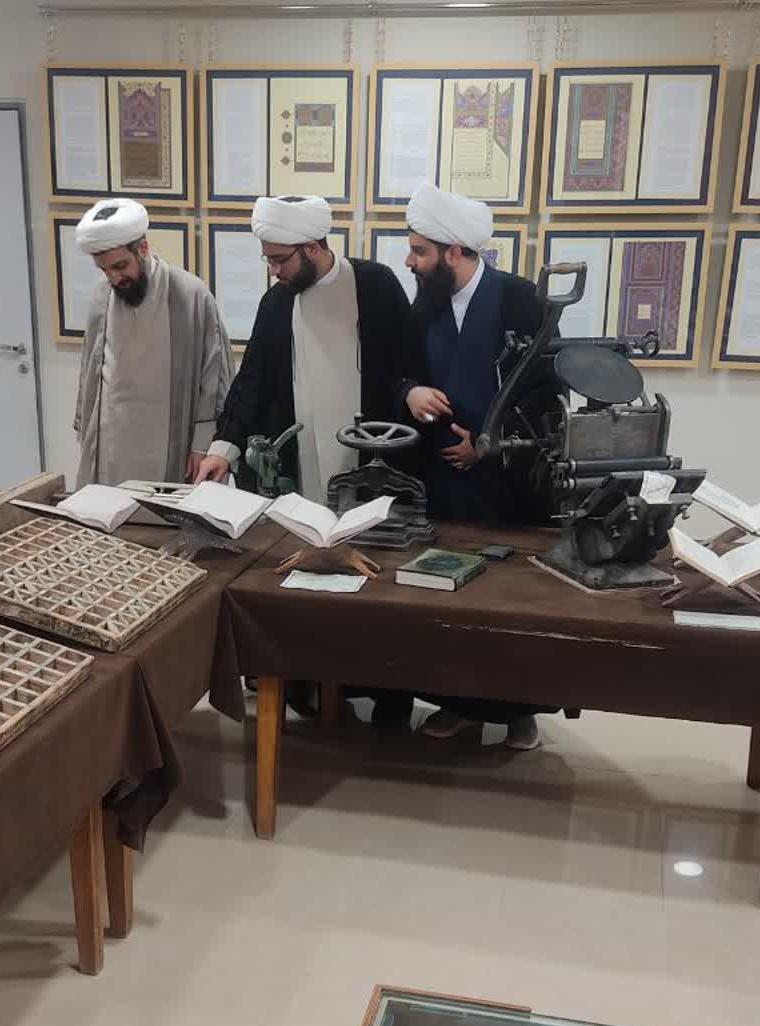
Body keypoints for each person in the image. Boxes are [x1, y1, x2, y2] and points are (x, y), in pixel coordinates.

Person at [391, 181, 563, 750]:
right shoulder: (425, 303)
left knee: (511, 605)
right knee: (447, 600)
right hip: (444, 485)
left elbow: (548, 392)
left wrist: (492, 442)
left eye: (419, 251)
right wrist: (410, 391)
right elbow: (396, 371)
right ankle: (457, 705)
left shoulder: (522, 300)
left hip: (510, 487)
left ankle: (518, 713)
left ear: (454, 252)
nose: (410, 262)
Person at [198, 194, 410, 499]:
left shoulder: (376, 284)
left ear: (312, 248)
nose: (273, 270)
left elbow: (407, 364)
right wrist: (222, 451)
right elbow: (252, 382)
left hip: (372, 457)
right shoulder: (276, 302)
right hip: (300, 462)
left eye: (280, 260)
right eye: (268, 259)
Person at [72, 197, 233, 486]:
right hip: (113, 445)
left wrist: (202, 444)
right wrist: (85, 435)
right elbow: (89, 372)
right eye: (105, 270)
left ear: (143, 249)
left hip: (171, 444)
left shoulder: (190, 294)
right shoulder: (101, 296)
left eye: (120, 266)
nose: (114, 278)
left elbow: (214, 377)